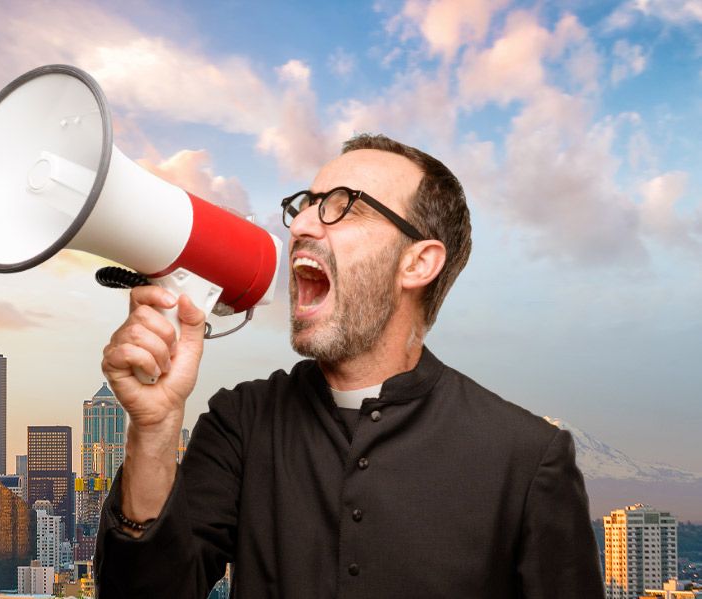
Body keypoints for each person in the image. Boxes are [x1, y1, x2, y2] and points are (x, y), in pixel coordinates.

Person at [94, 134, 604, 598]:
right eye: (306, 205)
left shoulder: (528, 457)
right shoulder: (242, 422)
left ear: (418, 262)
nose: (302, 225)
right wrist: (154, 430)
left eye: (344, 207)